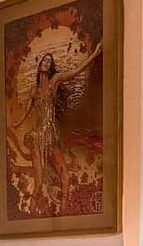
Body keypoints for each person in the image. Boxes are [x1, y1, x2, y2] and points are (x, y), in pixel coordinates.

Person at [11, 41, 103, 212]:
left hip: (52, 136)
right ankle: (31, 215)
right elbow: (25, 113)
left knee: (65, 176)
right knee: (38, 184)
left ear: (51, 66)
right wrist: (15, 124)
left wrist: (94, 55)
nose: (45, 63)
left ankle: (63, 213)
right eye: (43, 61)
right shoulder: (34, 90)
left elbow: (75, 72)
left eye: (48, 62)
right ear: (39, 66)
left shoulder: (55, 80)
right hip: (38, 137)